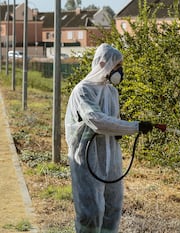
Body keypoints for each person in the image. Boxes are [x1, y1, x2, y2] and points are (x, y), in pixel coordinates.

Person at [65, 43, 153, 232]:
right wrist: (134, 127)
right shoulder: (83, 90)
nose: (119, 71)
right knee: (91, 212)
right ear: (103, 64)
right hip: (87, 159)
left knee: (113, 207)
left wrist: (121, 129)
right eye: (116, 66)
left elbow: (113, 121)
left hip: (111, 157)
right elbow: (96, 120)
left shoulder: (112, 92)